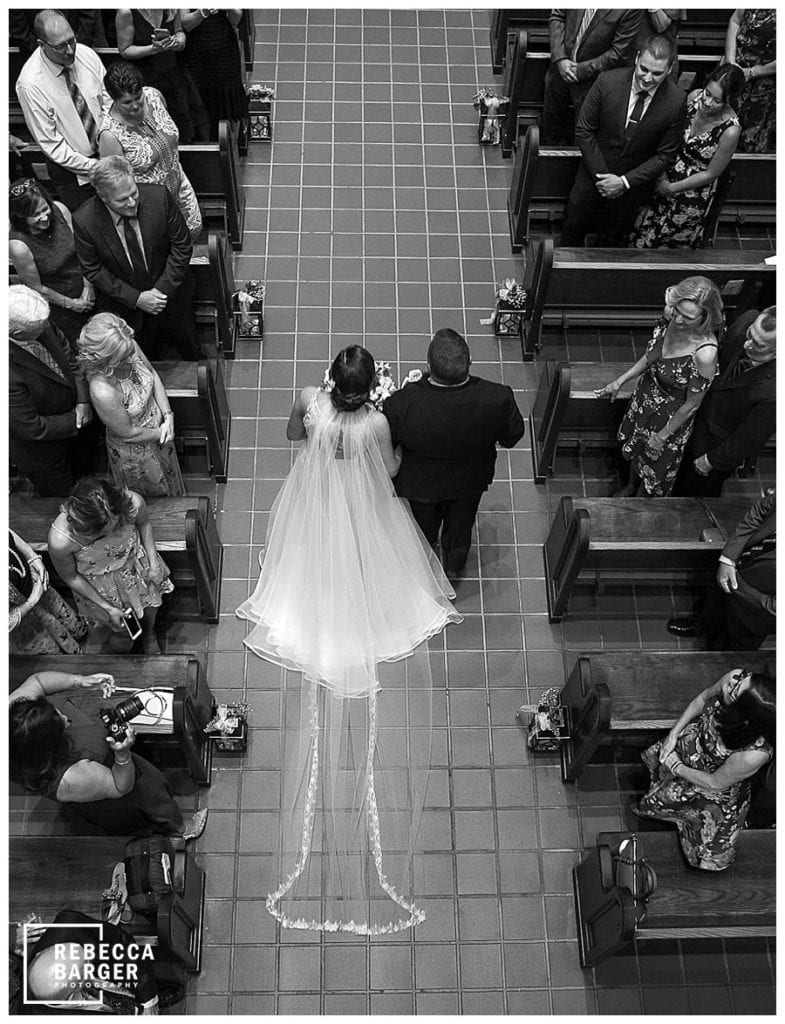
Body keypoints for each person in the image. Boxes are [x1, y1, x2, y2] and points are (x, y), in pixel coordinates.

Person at [237, 346, 462, 934]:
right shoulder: (377, 422)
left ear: (331, 382)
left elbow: (293, 433)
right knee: (371, 549)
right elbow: (388, 472)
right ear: (368, 389)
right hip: (360, 499)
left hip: (317, 495)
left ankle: (318, 599)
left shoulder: (311, 402)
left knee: (308, 554)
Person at [383, 329, 526, 579]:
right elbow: (512, 437)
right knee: (461, 527)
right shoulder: (497, 398)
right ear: (469, 363)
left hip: (420, 485)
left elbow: (389, 442)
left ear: (428, 366)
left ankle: (424, 560)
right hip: (468, 482)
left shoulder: (401, 403)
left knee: (422, 526)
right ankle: (453, 568)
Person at [10, 668, 207, 840]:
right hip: (110, 780)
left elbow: (37, 682)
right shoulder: (70, 778)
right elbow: (120, 786)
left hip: (87, 746)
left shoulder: (18, 717)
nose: (63, 715)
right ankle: (179, 829)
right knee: (149, 797)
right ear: (49, 742)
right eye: (59, 721)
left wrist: (79, 680)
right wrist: (122, 755)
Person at [632, 668, 774, 870]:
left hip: (707, 780)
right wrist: (675, 733)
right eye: (741, 680)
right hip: (693, 745)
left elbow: (714, 782)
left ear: (745, 715)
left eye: (735, 690)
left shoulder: (754, 753)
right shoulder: (736, 679)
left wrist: (676, 766)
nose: (730, 683)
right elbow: (702, 699)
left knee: (688, 815)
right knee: (662, 783)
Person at [595, 276, 721, 496]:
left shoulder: (705, 353)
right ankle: (630, 486)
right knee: (637, 452)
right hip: (646, 398)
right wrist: (620, 381)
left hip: (670, 417)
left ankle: (641, 502)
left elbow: (692, 405)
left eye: (688, 317)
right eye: (677, 311)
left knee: (654, 469)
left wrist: (663, 435)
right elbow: (651, 357)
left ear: (705, 318)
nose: (678, 320)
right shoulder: (670, 315)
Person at [561, 34, 687, 247]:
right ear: (637, 58)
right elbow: (584, 130)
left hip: (631, 189)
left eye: (657, 73)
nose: (647, 78)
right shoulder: (608, 81)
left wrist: (623, 182)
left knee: (611, 242)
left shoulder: (676, 101)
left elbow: (665, 155)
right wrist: (604, 178)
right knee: (572, 232)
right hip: (592, 178)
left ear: (669, 68)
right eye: (644, 69)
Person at [72, 155, 199, 361]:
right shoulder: (85, 220)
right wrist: (138, 299)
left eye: (134, 193)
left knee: (190, 346)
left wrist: (160, 291)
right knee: (145, 356)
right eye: (122, 200)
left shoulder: (158, 198)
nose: (132, 203)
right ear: (103, 197)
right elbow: (93, 269)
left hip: (172, 296)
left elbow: (181, 245)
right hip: (129, 309)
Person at [47, 476, 174, 654]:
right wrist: (106, 606)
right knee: (119, 625)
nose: (112, 533)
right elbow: (71, 576)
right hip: (100, 586)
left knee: (151, 606)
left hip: (136, 566)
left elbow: (144, 523)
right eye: (101, 532)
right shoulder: (61, 540)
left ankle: (149, 634)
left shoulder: (132, 503)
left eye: (116, 525)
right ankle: (125, 637)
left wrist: (153, 565)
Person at [628, 64, 743, 249]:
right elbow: (668, 134)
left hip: (690, 193)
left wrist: (671, 188)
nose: (707, 102)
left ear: (729, 100)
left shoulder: (730, 130)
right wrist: (661, 173)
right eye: (707, 94)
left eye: (717, 100)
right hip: (663, 174)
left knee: (668, 246)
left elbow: (711, 174)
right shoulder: (693, 97)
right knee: (640, 232)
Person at [77, 313, 185, 497]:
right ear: (104, 359)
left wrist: (168, 416)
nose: (130, 358)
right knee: (152, 497)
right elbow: (128, 433)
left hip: (160, 432)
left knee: (171, 480)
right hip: (137, 452)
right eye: (122, 358)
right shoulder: (102, 389)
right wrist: (163, 433)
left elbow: (152, 374)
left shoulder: (127, 346)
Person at [673, 307, 775, 498]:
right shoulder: (746, 321)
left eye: (758, 345)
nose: (747, 345)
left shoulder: (774, 391)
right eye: (750, 334)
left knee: (692, 492)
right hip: (695, 417)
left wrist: (711, 461)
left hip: (714, 443)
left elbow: (749, 437)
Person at [9, 284, 100, 497]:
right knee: (62, 499)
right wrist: (75, 419)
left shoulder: (39, 320)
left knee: (86, 476)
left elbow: (69, 359)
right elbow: (32, 428)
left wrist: (83, 401)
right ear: (17, 332)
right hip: (44, 455)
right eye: (39, 328)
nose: (46, 328)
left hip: (76, 430)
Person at [98, 61, 202, 240]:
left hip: (178, 183)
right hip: (151, 205)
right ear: (114, 99)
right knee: (170, 246)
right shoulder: (110, 135)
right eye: (127, 102)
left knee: (194, 230)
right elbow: (118, 184)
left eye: (138, 97)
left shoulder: (154, 96)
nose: (136, 105)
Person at [15, 9, 105, 210]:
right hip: (74, 176)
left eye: (71, 40)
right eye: (61, 46)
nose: (71, 50)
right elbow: (51, 143)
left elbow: (107, 102)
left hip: (109, 155)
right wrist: (94, 166)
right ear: (41, 45)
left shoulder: (86, 54)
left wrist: (112, 149)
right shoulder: (30, 83)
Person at [667, 491, 775, 650]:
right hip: (737, 563)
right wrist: (729, 558)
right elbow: (763, 508)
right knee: (712, 608)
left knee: (729, 649)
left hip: (753, 613)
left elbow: (775, 608)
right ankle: (702, 626)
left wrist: (735, 584)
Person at [20, 910, 160, 1014]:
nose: (92, 956)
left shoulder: (70, 924)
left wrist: (149, 1001)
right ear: (72, 996)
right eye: (87, 968)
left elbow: (123, 942)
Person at [9, 177, 95, 342]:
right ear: (19, 216)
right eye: (35, 215)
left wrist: (87, 285)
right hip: (62, 307)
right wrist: (72, 304)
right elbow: (36, 287)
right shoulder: (18, 245)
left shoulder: (60, 209)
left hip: (89, 284)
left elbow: (83, 249)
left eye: (44, 209)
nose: (44, 217)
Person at [541, 9, 641, 145]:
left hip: (592, 83)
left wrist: (579, 71)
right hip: (558, 72)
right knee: (550, 130)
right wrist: (559, 58)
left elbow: (618, 53)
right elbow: (558, 16)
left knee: (582, 140)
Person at [115, 8, 210, 145]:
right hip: (146, 79)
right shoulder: (126, 12)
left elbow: (179, 31)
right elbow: (125, 50)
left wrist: (179, 42)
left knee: (183, 131)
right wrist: (153, 49)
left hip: (174, 75)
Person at [10, 528, 88, 655]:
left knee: (65, 620)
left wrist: (32, 557)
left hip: (34, 585)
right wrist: (32, 601)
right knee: (51, 652)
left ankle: (79, 639)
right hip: (22, 623)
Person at [181, 9, 249, 140]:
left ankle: (230, 145)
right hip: (196, 53)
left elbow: (236, 19)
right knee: (200, 99)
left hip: (224, 49)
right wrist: (203, 11)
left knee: (229, 100)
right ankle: (205, 142)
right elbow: (186, 24)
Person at [725, 8, 776, 153]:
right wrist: (730, 61)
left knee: (751, 140)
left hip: (766, 82)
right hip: (734, 71)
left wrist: (752, 72)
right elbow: (735, 20)